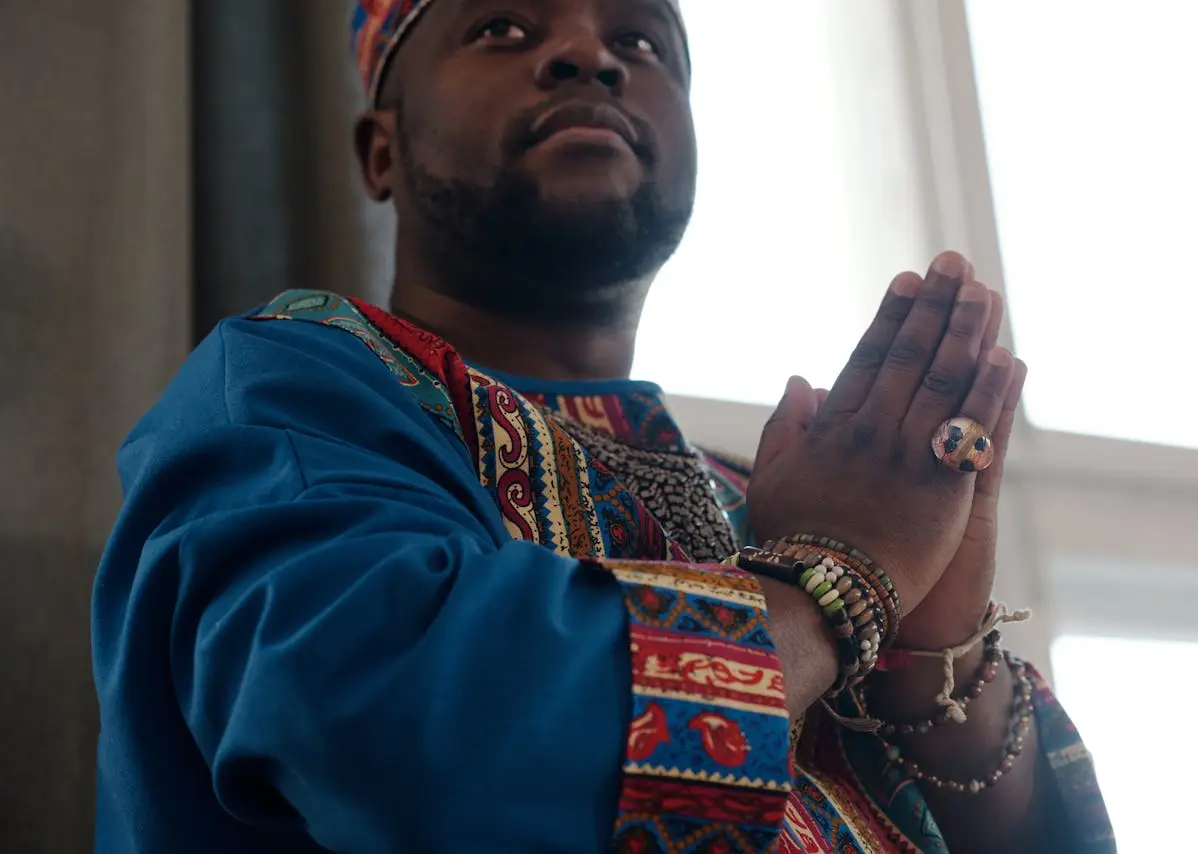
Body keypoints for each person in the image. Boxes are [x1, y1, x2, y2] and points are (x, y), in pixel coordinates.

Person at [91, 0, 1115, 852]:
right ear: (381, 149)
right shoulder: (290, 389)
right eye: (500, 26)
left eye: (641, 42)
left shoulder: (765, 496)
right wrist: (833, 577)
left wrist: (936, 654)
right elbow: (414, 741)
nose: (588, 54)